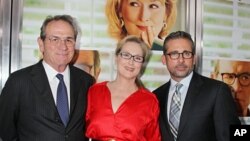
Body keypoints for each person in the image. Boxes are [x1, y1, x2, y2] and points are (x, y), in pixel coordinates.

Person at [0, 15, 95, 141]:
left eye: (69, 40)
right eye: (55, 39)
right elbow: (5, 129)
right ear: (41, 44)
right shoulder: (19, 81)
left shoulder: (86, 81)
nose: (63, 46)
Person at [153, 31, 240, 141]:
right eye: (174, 54)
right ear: (164, 59)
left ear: (194, 59)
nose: (181, 60)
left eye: (187, 54)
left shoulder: (217, 91)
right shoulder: (156, 96)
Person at [85, 35, 161, 140]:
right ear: (116, 58)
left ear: (142, 64)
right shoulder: (94, 92)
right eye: (126, 55)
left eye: (137, 58)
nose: (131, 62)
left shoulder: (149, 101)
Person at [105, 0, 177, 50]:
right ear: (119, 9)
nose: (144, 17)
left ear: (166, 13)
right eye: (134, 4)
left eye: (153, 6)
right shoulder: (108, 57)